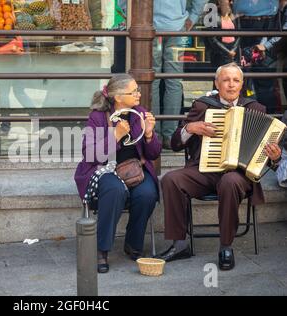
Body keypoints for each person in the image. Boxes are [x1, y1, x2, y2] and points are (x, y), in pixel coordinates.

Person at [157, 62, 282, 271]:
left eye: (235, 80)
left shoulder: (256, 109)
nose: (231, 85)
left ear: (242, 84)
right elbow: (176, 144)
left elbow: (269, 161)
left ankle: (226, 246)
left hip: (239, 176)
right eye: (226, 80)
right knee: (171, 179)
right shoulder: (202, 106)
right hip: (204, 171)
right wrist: (190, 128)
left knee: (229, 181)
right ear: (217, 83)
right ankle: (179, 244)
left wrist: (275, 157)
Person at [74, 74, 162, 273]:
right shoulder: (97, 117)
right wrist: (116, 135)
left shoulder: (139, 113)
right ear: (119, 97)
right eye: (134, 91)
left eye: (137, 90)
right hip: (104, 170)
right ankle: (101, 250)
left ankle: (133, 244)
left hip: (134, 169)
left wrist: (149, 134)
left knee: (147, 193)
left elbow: (154, 153)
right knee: (114, 190)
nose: (139, 94)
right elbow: (90, 154)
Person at [152, 0, 209, 149]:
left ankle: (152, 135)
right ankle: (170, 136)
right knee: (173, 82)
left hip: (149, 26)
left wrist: (129, 14)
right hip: (176, 26)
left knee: (151, 81)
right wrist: (193, 16)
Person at [234, 0, 280, 113]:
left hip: (267, 21)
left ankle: (268, 118)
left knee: (264, 75)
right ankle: (242, 116)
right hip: (240, 21)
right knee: (239, 74)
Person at [207, 0, 241, 71]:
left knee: (233, 74)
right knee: (220, 76)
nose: (230, 2)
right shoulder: (212, 16)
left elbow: (239, 34)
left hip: (233, 51)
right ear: (219, 2)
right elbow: (212, 38)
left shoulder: (234, 16)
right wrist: (227, 51)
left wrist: (234, 49)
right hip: (220, 52)